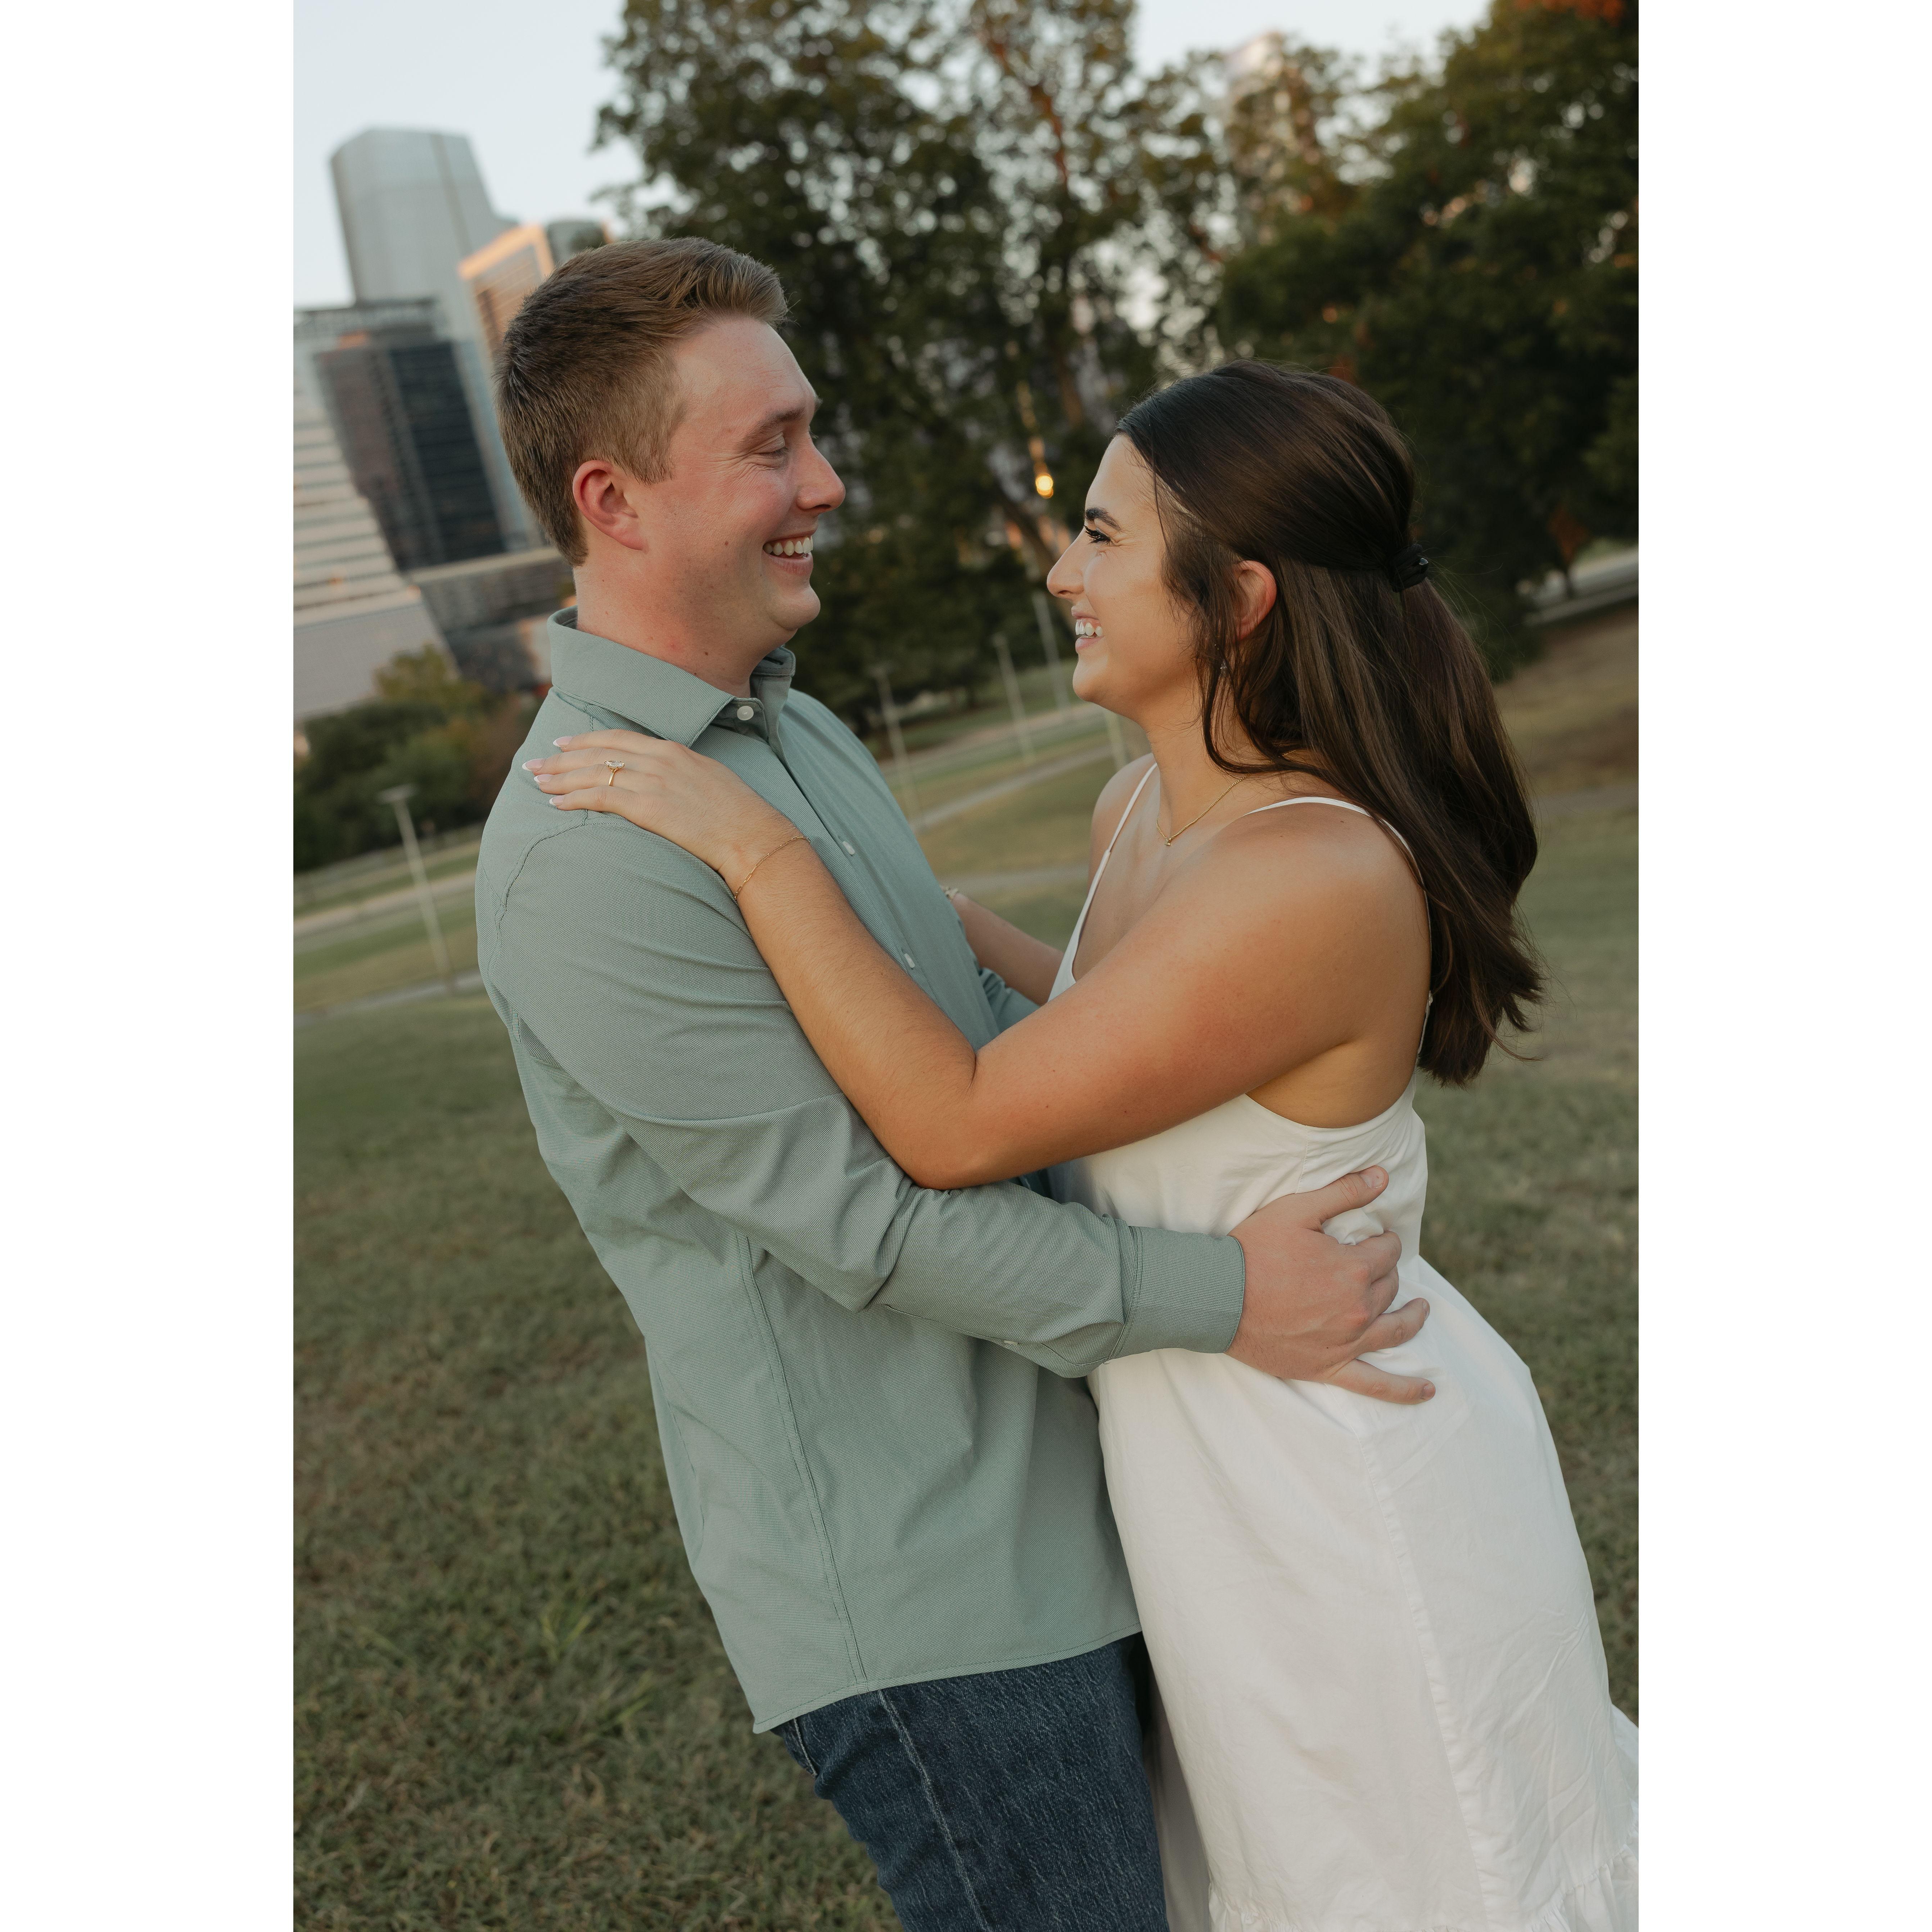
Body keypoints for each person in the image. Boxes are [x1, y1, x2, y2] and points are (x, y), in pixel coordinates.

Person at [533, 360, 1639, 1930]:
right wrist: (894, 908)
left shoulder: (1310, 875)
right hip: (1200, 1476)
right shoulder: (1142, 818)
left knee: (1426, 1878)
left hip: (1337, 1473)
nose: (1062, 571)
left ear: (1237, 598)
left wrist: (755, 847)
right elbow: (1095, 1029)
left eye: (1104, 537)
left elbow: (956, 1121)